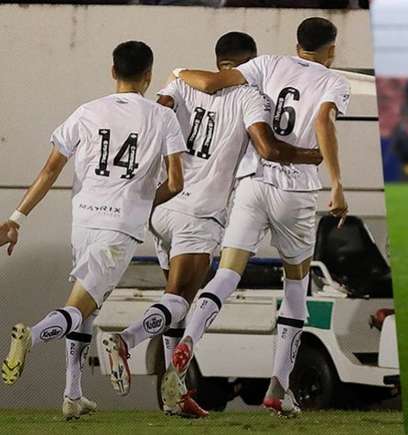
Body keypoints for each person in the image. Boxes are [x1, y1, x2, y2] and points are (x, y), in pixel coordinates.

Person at [98, 32, 323, 418]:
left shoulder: (181, 84)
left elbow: (156, 114)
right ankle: (127, 338)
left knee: (176, 301)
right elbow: (267, 148)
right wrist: (310, 154)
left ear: (217, 60)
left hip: (163, 205)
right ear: (249, 63)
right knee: (180, 300)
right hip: (199, 213)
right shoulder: (251, 95)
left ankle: (176, 396)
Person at [161, 16, 351, 417]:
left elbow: (213, 83)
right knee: (296, 286)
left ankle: (187, 342)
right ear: (331, 49)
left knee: (227, 274)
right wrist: (336, 182)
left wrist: (178, 70)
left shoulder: (265, 63)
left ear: (297, 43)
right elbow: (322, 121)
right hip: (297, 190)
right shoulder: (335, 81)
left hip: (252, 183)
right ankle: (278, 390)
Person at [0, 41, 187, 420]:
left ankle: (72, 394)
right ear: (148, 76)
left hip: (83, 221)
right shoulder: (162, 118)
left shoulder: (86, 112)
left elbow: (50, 169)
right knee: (78, 306)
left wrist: (17, 217)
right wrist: (144, 201)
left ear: (112, 71)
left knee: (89, 307)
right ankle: (32, 336)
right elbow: (176, 181)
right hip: (119, 228)